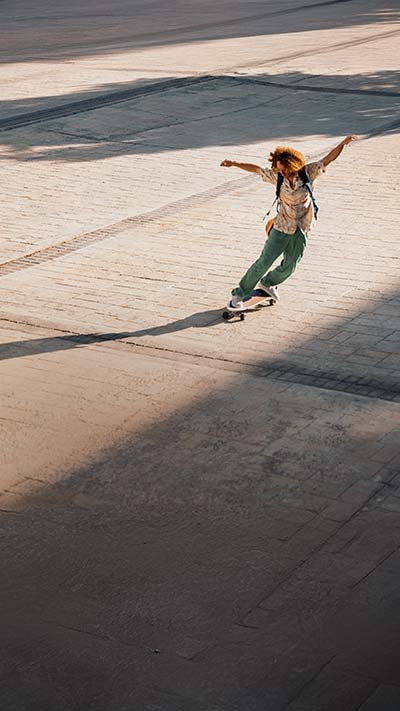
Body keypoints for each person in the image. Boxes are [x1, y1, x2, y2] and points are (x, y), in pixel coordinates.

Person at [220, 136, 357, 309]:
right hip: (281, 226)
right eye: (280, 170)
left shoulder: (308, 172)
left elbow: (328, 159)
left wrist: (342, 144)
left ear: (293, 165)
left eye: (285, 170)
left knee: (291, 265)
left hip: (301, 227)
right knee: (264, 261)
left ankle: (268, 283)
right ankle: (239, 293)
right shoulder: (277, 177)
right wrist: (234, 163)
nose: (283, 173)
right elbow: (256, 170)